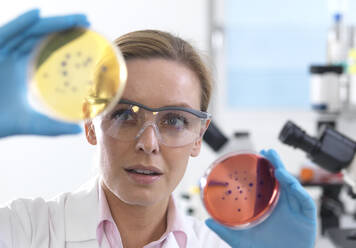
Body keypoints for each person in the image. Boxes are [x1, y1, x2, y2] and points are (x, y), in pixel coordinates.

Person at [0, 9, 317, 248]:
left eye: (175, 120)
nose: (149, 143)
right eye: (125, 114)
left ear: (199, 135)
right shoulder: (23, 231)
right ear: (90, 123)